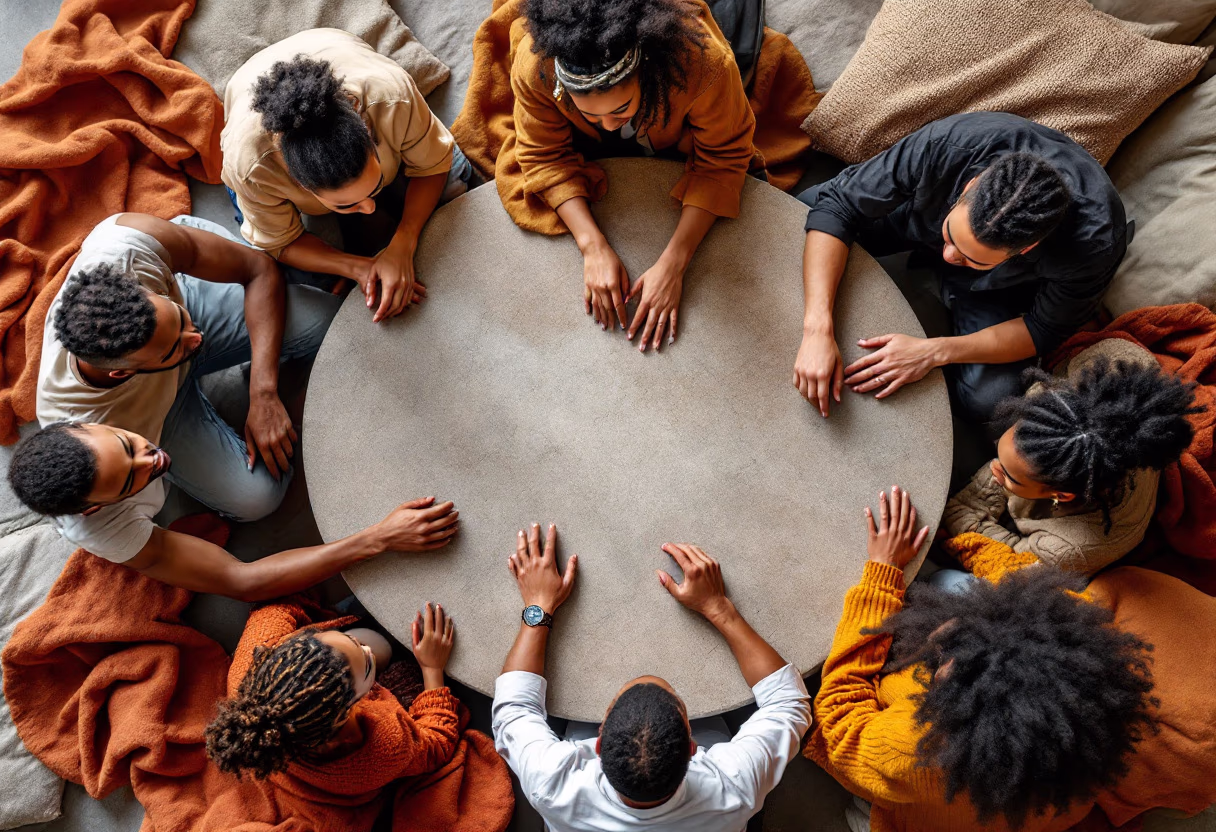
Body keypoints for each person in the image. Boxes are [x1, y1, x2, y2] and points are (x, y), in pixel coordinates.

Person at [806, 486, 1157, 832]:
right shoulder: (1064, 631)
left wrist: (882, 575)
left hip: (923, 799)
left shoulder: (915, 749)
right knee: (947, 582)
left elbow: (839, 719)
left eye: (949, 655)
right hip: (1026, 784)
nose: (940, 636)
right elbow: (1015, 572)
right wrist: (951, 536)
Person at [792, 112, 1129, 422]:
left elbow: (1041, 328)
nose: (949, 255)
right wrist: (817, 329)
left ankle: (969, 263)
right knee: (797, 214)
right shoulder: (952, 143)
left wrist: (932, 351)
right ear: (970, 185)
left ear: (1027, 248)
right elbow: (839, 205)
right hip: (912, 218)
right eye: (952, 236)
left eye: (971, 256)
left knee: (992, 398)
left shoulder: (1095, 243)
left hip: (999, 289)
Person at [491, 523, 811, 831]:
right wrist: (717, 606)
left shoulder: (550, 783)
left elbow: (514, 709)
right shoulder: (736, 787)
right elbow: (788, 702)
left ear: (600, 742)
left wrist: (538, 605)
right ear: (692, 745)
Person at [37, 212, 340, 506]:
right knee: (256, 499)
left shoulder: (130, 244)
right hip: (160, 417)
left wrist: (264, 391)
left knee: (332, 322)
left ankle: (175, 330)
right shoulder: (77, 428)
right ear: (122, 373)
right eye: (173, 349)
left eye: (178, 320)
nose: (196, 338)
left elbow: (257, 269)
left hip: (194, 292)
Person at [513, 0, 761, 351]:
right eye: (591, 115)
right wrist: (592, 246)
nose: (609, 126)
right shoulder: (535, 66)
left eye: (620, 110)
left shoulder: (703, 64)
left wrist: (674, 265)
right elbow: (542, 154)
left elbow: (724, 158)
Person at [6, 420, 459, 600]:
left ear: (88, 424)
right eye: (130, 480)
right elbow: (242, 581)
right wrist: (378, 537)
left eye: (129, 445)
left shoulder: (84, 394)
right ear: (93, 511)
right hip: (166, 412)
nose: (153, 460)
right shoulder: (104, 533)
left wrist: (262, 387)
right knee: (257, 497)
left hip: (160, 375)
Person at [222, 29, 479, 324]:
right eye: (346, 205)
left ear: (371, 135)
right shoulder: (251, 167)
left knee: (456, 180)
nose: (368, 207)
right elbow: (282, 242)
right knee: (292, 271)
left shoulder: (392, 96)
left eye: (375, 185)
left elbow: (433, 165)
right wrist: (358, 267)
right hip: (246, 103)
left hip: (329, 45)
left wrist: (403, 243)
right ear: (301, 187)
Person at [941, 340, 1200, 578]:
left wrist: (977, 504)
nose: (994, 466)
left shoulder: (1069, 549)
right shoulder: (1118, 368)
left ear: (1061, 495)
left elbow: (1008, 563)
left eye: (1008, 475)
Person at [206, 599, 458, 779]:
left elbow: (276, 608)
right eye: (367, 665)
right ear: (348, 714)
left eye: (353, 643)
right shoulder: (378, 748)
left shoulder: (255, 653)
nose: (365, 649)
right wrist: (432, 668)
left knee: (375, 642)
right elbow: (437, 746)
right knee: (392, 657)